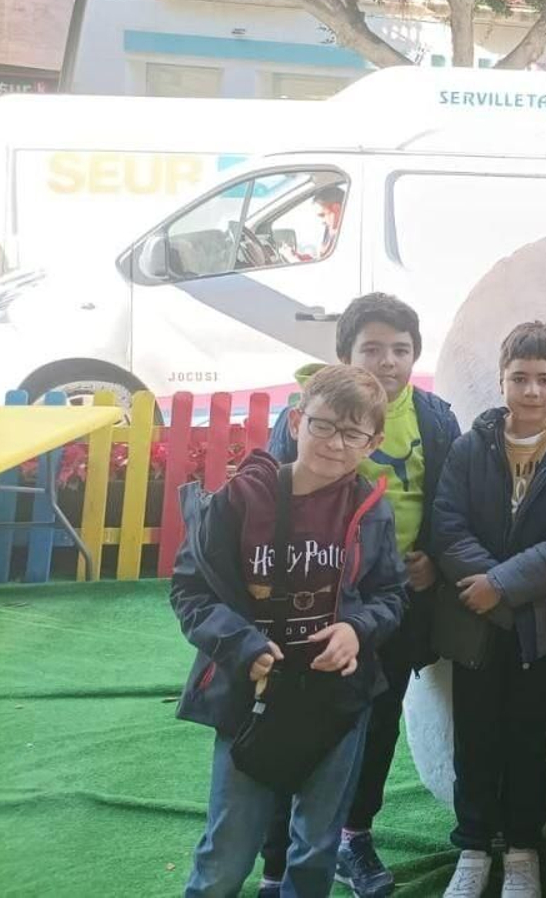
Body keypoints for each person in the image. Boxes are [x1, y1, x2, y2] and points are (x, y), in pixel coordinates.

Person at [170, 365, 406, 898]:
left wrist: (356, 629)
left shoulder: (372, 509)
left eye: (353, 433)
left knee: (317, 847)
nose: (336, 443)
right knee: (227, 853)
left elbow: (391, 595)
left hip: (337, 701)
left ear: (374, 442)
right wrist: (241, 645)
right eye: (324, 425)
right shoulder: (240, 499)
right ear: (297, 420)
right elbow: (189, 591)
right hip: (251, 696)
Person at [260, 293, 461, 898]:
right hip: (315, 605)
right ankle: (284, 853)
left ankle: (355, 834)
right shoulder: (302, 418)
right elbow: (271, 503)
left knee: (378, 720)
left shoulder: (434, 418)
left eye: (400, 349)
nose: (387, 361)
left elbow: (451, 502)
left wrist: (434, 559)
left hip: (395, 604)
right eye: (372, 348)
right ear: (344, 354)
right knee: (301, 720)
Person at [429, 321, 546, 898]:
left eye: (544, 380)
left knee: (531, 739)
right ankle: (476, 846)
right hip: (474, 623)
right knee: (475, 737)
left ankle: (524, 849)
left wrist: (502, 585)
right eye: (520, 378)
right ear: (501, 381)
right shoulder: (470, 444)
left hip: (538, 624)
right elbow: (447, 523)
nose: (531, 391)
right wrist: (484, 587)